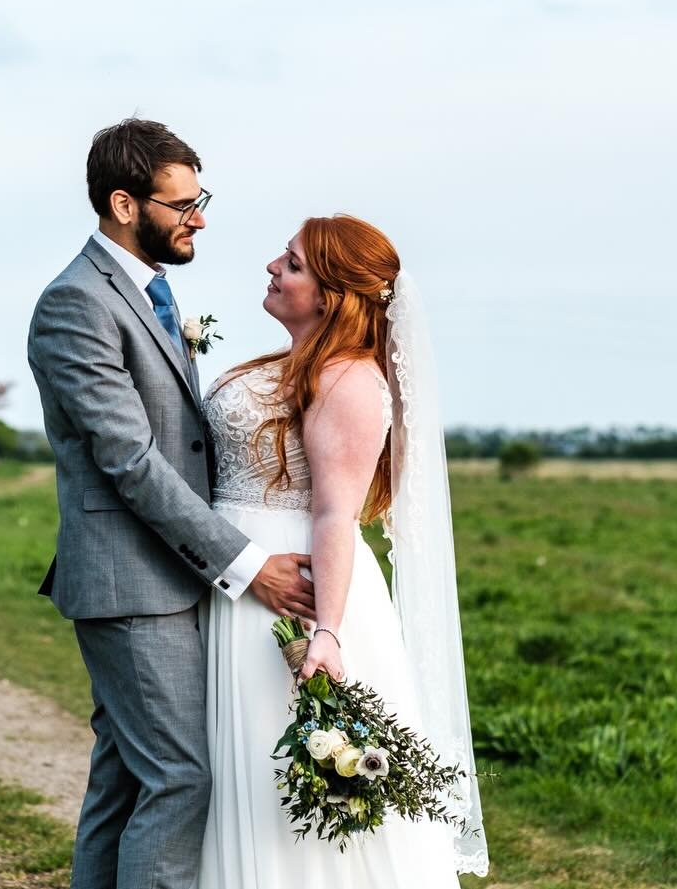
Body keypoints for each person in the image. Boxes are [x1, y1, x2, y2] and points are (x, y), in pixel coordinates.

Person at [27, 117, 315, 889]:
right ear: (125, 204)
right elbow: (131, 461)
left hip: (165, 576)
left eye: (200, 198)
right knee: (181, 778)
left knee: (125, 779)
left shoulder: (148, 292)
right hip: (130, 583)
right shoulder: (76, 305)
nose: (200, 217)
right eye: (182, 203)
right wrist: (248, 563)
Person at [196, 215, 489, 886]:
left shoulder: (350, 380)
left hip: (293, 601)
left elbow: (334, 513)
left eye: (293, 263)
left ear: (331, 295)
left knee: (284, 788)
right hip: (238, 580)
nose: (273, 265)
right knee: (234, 774)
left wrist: (326, 631)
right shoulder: (288, 364)